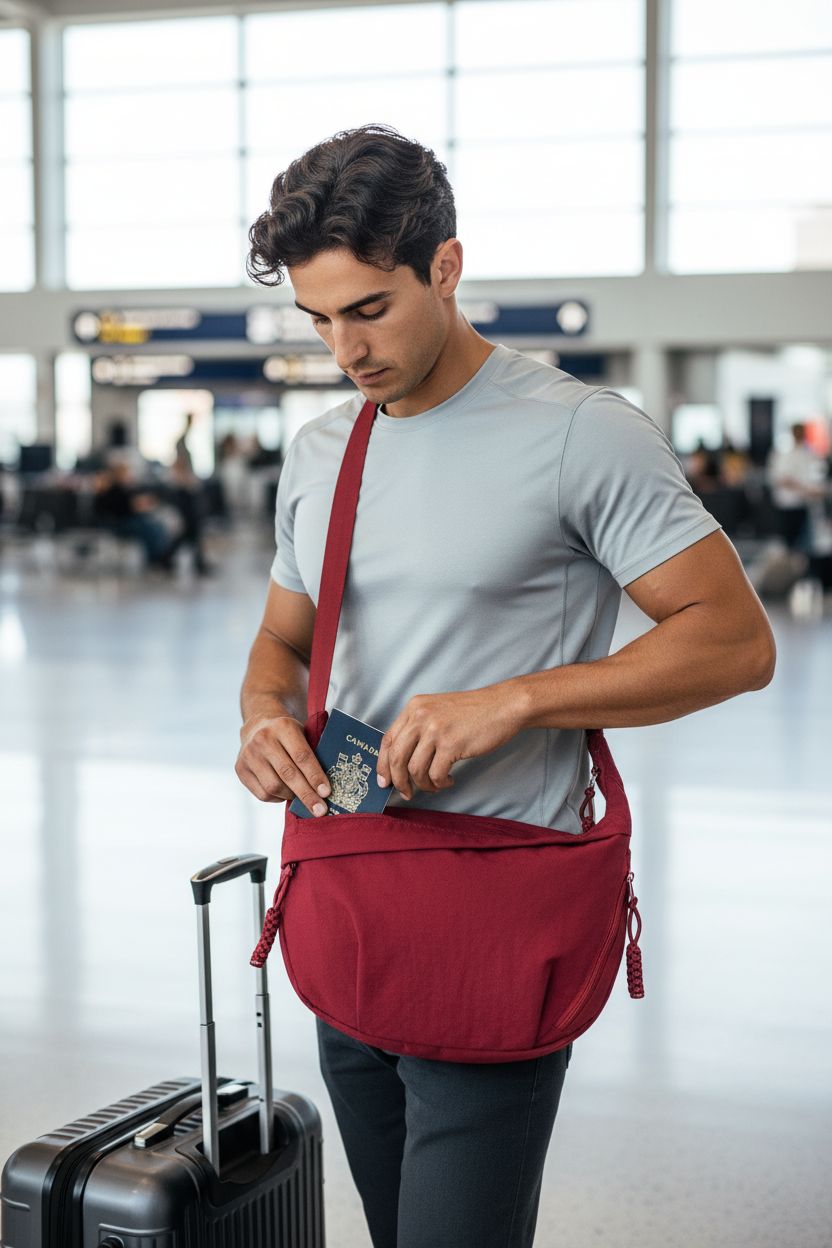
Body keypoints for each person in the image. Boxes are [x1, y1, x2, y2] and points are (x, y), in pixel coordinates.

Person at [234, 124, 777, 1248]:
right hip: (349, 892)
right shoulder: (323, 451)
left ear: (445, 266)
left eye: (369, 309)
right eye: (319, 320)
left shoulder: (580, 434)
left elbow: (733, 641)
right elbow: (283, 640)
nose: (345, 349)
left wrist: (519, 699)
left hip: (496, 914)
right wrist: (259, 717)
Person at [766, 421, 827, 552]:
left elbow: (815, 476)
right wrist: (805, 489)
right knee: (789, 541)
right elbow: (781, 479)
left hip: (804, 504)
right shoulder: (784, 453)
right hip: (788, 504)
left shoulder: (808, 453)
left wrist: (815, 490)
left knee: (804, 543)